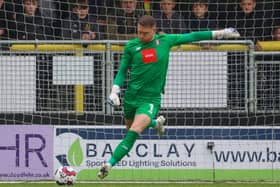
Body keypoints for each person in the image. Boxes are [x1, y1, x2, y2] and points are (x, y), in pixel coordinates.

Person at [97, 15, 240, 179]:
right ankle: (155, 123)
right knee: (130, 128)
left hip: (150, 98)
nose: (141, 36)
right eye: (138, 32)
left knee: (134, 131)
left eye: (144, 33)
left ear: (154, 30)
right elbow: (122, 71)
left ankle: (109, 164)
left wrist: (221, 33)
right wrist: (114, 91)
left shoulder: (165, 41)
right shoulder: (131, 46)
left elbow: (192, 36)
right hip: (131, 97)